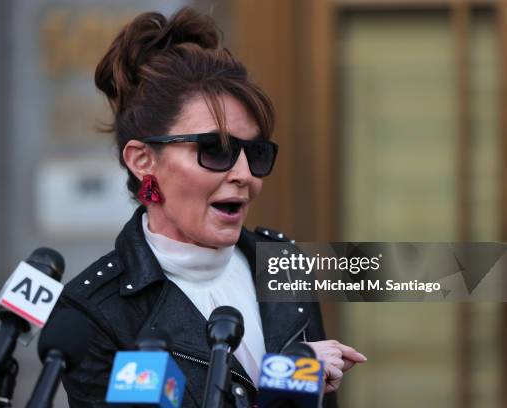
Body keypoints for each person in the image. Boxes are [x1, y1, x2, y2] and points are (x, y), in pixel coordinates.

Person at [58, 7, 366, 407]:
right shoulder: (95, 311)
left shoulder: (282, 263)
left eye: (255, 152)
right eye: (215, 150)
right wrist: (289, 378)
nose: (244, 174)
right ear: (143, 160)